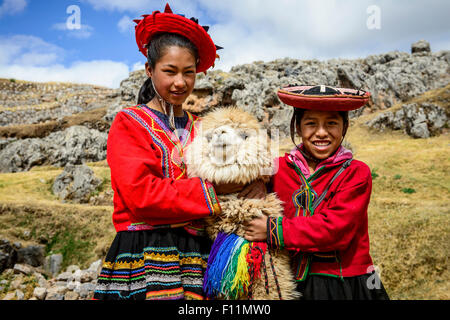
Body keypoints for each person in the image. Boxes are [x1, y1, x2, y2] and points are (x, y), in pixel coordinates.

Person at [93, 4, 262, 300]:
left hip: (199, 255)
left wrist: (256, 182)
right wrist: (214, 190)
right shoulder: (129, 123)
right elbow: (140, 195)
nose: (180, 82)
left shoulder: (205, 128)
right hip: (144, 253)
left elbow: (242, 166)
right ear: (149, 69)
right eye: (169, 71)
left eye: (189, 72)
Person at [244, 85, 390, 300]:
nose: (321, 132)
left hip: (345, 281)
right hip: (289, 280)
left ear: (344, 127)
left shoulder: (356, 173)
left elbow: (335, 230)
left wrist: (272, 230)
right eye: (311, 123)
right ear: (298, 128)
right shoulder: (276, 168)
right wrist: (258, 180)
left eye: (331, 123)